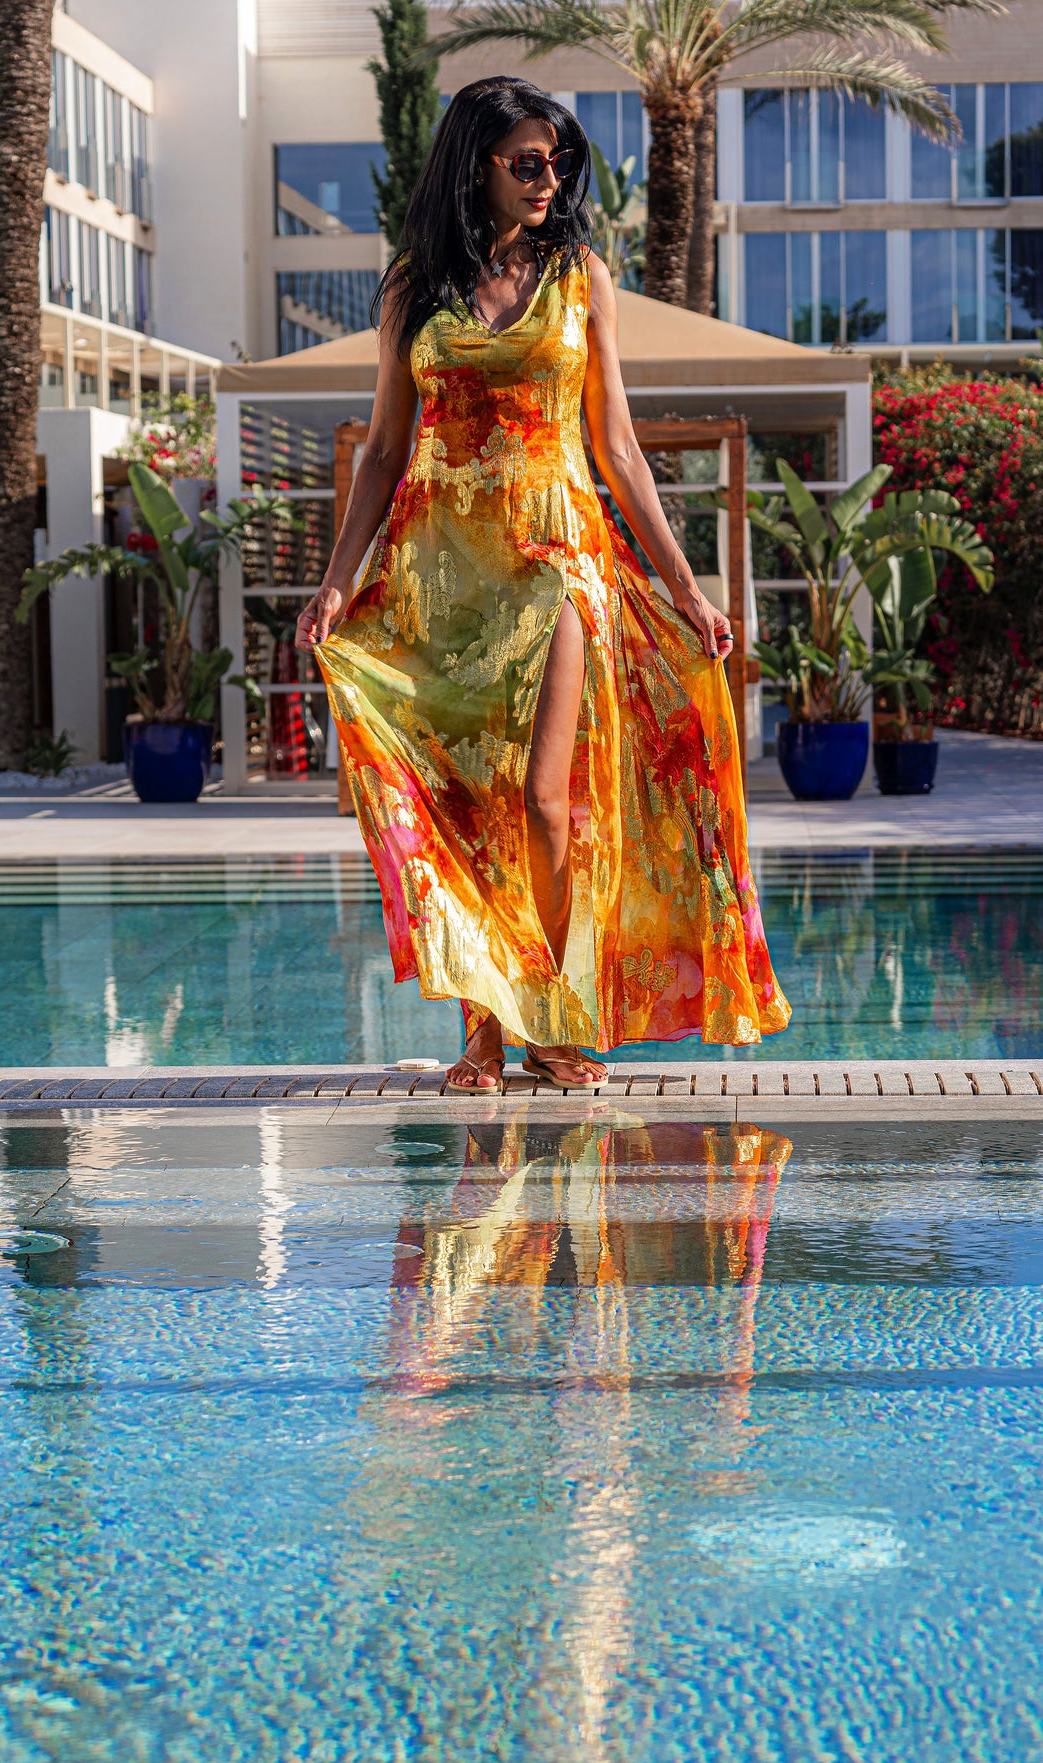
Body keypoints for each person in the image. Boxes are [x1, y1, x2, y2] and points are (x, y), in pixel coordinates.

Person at [298, 75, 789, 1093]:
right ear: (474, 163)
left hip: (557, 557)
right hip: (435, 570)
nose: (547, 177)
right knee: (464, 802)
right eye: (528, 160)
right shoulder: (412, 288)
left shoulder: (581, 278)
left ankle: (556, 1017)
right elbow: (386, 450)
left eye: (556, 161)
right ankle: (486, 1031)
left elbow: (617, 448)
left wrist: (689, 589)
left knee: (542, 799)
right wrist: (338, 583)